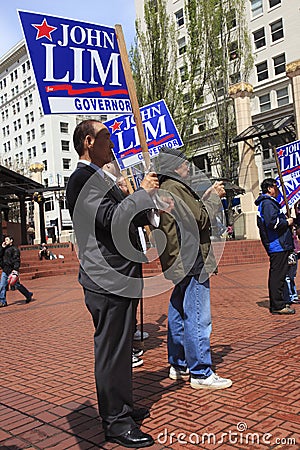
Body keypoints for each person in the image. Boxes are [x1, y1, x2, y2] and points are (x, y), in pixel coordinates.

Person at [66, 119, 159, 448]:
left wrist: (144, 201)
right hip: (106, 280)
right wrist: (139, 196)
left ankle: (121, 406)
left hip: (120, 276)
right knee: (111, 349)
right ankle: (115, 422)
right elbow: (111, 220)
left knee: (122, 349)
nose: (113, 142)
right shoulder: (80, 180)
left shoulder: (103, 179)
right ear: (89, 142)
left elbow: (130, 220)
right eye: (106, 136)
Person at [156, 146, 232, 390]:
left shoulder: (166, 188)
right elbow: (201, 218)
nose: (188, 167)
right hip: (191, 259)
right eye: (184, 163)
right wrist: (214, 197)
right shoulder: (175, 187)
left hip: (178, 259)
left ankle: (179, 364)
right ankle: (200, 371)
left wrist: (206, 195)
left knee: (179, 310)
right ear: (174, 166)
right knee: (198, 314)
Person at [255, 178, 295, 315]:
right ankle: (277, 305)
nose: (277, 189)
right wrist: (287, 222)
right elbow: (273, 223)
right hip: (277, 244)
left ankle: (281, 301)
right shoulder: (267, 203)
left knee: (281, 274)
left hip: (280, 244)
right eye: (275, 187)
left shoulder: (269, 203)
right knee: (277, 275)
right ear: (270, 188)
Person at [0, 236, 33, 307]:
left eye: (7, 239)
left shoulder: (15, 249)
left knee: (17, 285)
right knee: (2, 286)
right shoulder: (3, 249)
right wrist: (2, 248)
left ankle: (28, 294)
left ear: (11, 240)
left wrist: (15, 270)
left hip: (12, 270)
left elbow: (17, 260)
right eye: (5, 239)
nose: (5, 241)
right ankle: (2, 301)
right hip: (5, 270)